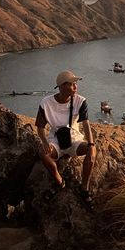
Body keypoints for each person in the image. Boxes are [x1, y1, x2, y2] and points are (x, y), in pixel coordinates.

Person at [35, 69, 96, 203]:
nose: (76, 87)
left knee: (92, 152)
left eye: (75, 83)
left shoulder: (80, 101)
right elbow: (39, 126)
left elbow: (86, 124)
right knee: (43, 154)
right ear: (62, 86)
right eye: (72, 84)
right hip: (55, 140)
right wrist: (45, 143)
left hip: (74, 139)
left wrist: (91, 144)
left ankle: (84, 188)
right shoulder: (46, 103)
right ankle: (60, 181)